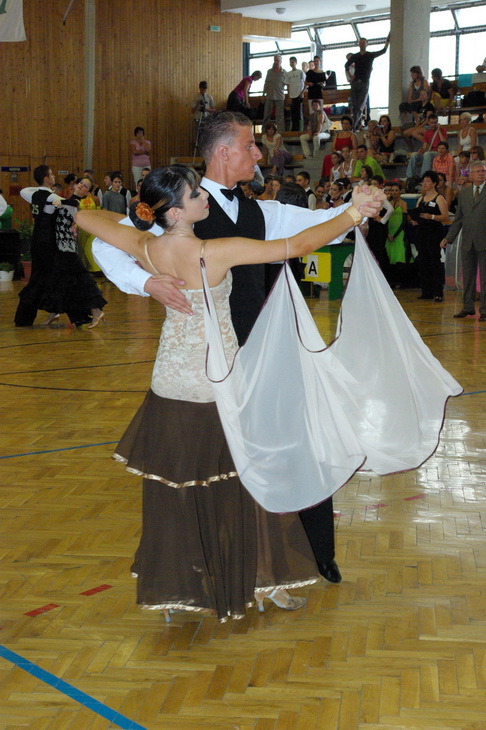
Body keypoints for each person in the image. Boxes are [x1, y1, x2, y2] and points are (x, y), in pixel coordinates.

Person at [78, 164, 380, 621]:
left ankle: (177, 590)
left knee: (178, 486)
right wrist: (353, 214)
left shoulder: (147, 246)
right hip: (218, 381)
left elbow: (86, 217)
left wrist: (141, 230)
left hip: (170, 380)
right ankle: (265, 580)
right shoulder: (213, 251)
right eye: (195, 195)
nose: (205, 197)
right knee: (249, 481)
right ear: (176, 212)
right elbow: (297, 246)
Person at [14, 166, 92, 328]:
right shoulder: (51, 196)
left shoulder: (34, 195)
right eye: (51, 174)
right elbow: (72, 203)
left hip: (37, 242)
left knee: (41, 279)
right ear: (45, 178)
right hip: (49, 243)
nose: (54, 176)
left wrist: (44, 188)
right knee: (59, 278)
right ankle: (79, 316)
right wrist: (64, 198)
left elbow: (23, 191)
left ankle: (25, 319)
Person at [40, 177, 107, 328]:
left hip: (67, 247)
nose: (82, 186)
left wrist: (59, 201)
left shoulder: (76, 203)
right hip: (60, 246)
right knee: (58, 280)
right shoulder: (66, 200)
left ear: (87, 192)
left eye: (86, 186)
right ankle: (55, 312)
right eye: (81, 183)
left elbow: (72, 203)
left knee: (81, 279)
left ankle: (96, 311)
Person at [440, 161, 486, 321]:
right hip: (468, 241)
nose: (481, 174)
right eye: (477, 171)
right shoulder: (464, 193)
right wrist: (448, 238)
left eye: (483, 171)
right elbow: (459, 218)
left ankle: (484, 310)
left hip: (484, 241)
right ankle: (468, 307)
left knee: (485, 278)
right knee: (468, 276)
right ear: (470, 175)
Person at [410, 170, 448, 302]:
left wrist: (431, 216)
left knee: (434, 261)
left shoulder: (439, 198)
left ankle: (438, 292)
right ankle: (426, 291)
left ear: (434, 183)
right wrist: (415, 220)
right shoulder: (420, 199)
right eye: (424, 181)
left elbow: (445, 217)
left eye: (428, 181)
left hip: (434, 233)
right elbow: (417, 214)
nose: (425, 184)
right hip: (421, 233)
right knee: (423, 262)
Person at [345, 35, 390, 130]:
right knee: (355, 106)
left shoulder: (370, 55)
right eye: (360, 43)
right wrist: (350, 76)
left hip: (364, 83)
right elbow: (346, 65)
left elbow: (383, 51)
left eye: (363, 43)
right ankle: (356, 125)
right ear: (359, 44)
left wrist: (387, 41)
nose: (362, 44)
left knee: (360, 106)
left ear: (366, 44)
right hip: (355, 82)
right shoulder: (355, 56)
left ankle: (355, 126)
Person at [405, 114, 448, 179]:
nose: (433, 125)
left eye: (435, 123)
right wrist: (422, 150)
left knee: (427, 154)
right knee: (414, 155)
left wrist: (439, 130)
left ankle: (424, 177)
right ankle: (409, 177)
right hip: (429, 153)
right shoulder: (427, 133)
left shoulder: (442, 130)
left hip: (438, 153)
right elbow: (425, 146)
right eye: (432, 123)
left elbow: (444, 143)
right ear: (428, 123)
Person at [262, 55, 287, 133]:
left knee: (279, 116)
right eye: (275, 60)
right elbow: (266, 83)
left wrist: (289, 96)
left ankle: (281, 133)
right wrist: (263, 95)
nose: (276, 62)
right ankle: (264, 132)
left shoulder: (284, 72)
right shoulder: (269, 72)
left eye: (277, 60)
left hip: (280, 97)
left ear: (281, 61)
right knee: (266, 115)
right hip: (269, 96)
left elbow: (288, 84)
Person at [286, 56, 305, 131]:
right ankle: (293, 129)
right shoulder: (288, 73)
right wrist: (289, 95)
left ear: (296, 63)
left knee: (299, 114)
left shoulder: (300, 72)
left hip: (299, 95)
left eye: (293, 62)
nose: (292, 63)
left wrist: (302, 92)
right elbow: (288, 85)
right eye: (290, 62)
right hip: (292, 96)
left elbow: (306, 83)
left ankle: (300, 129)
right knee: (293, 114)